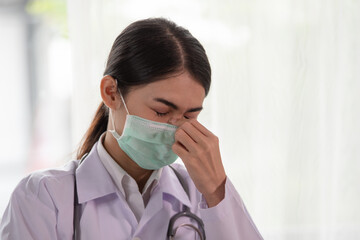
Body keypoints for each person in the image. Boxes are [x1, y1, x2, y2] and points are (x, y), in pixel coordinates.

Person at [0, 18, 263, 240]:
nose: (175, 127)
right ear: (111, 93)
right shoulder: (44, 197)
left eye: (189, 115)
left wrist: (217, 189)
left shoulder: (201, 194)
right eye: (161, 111)